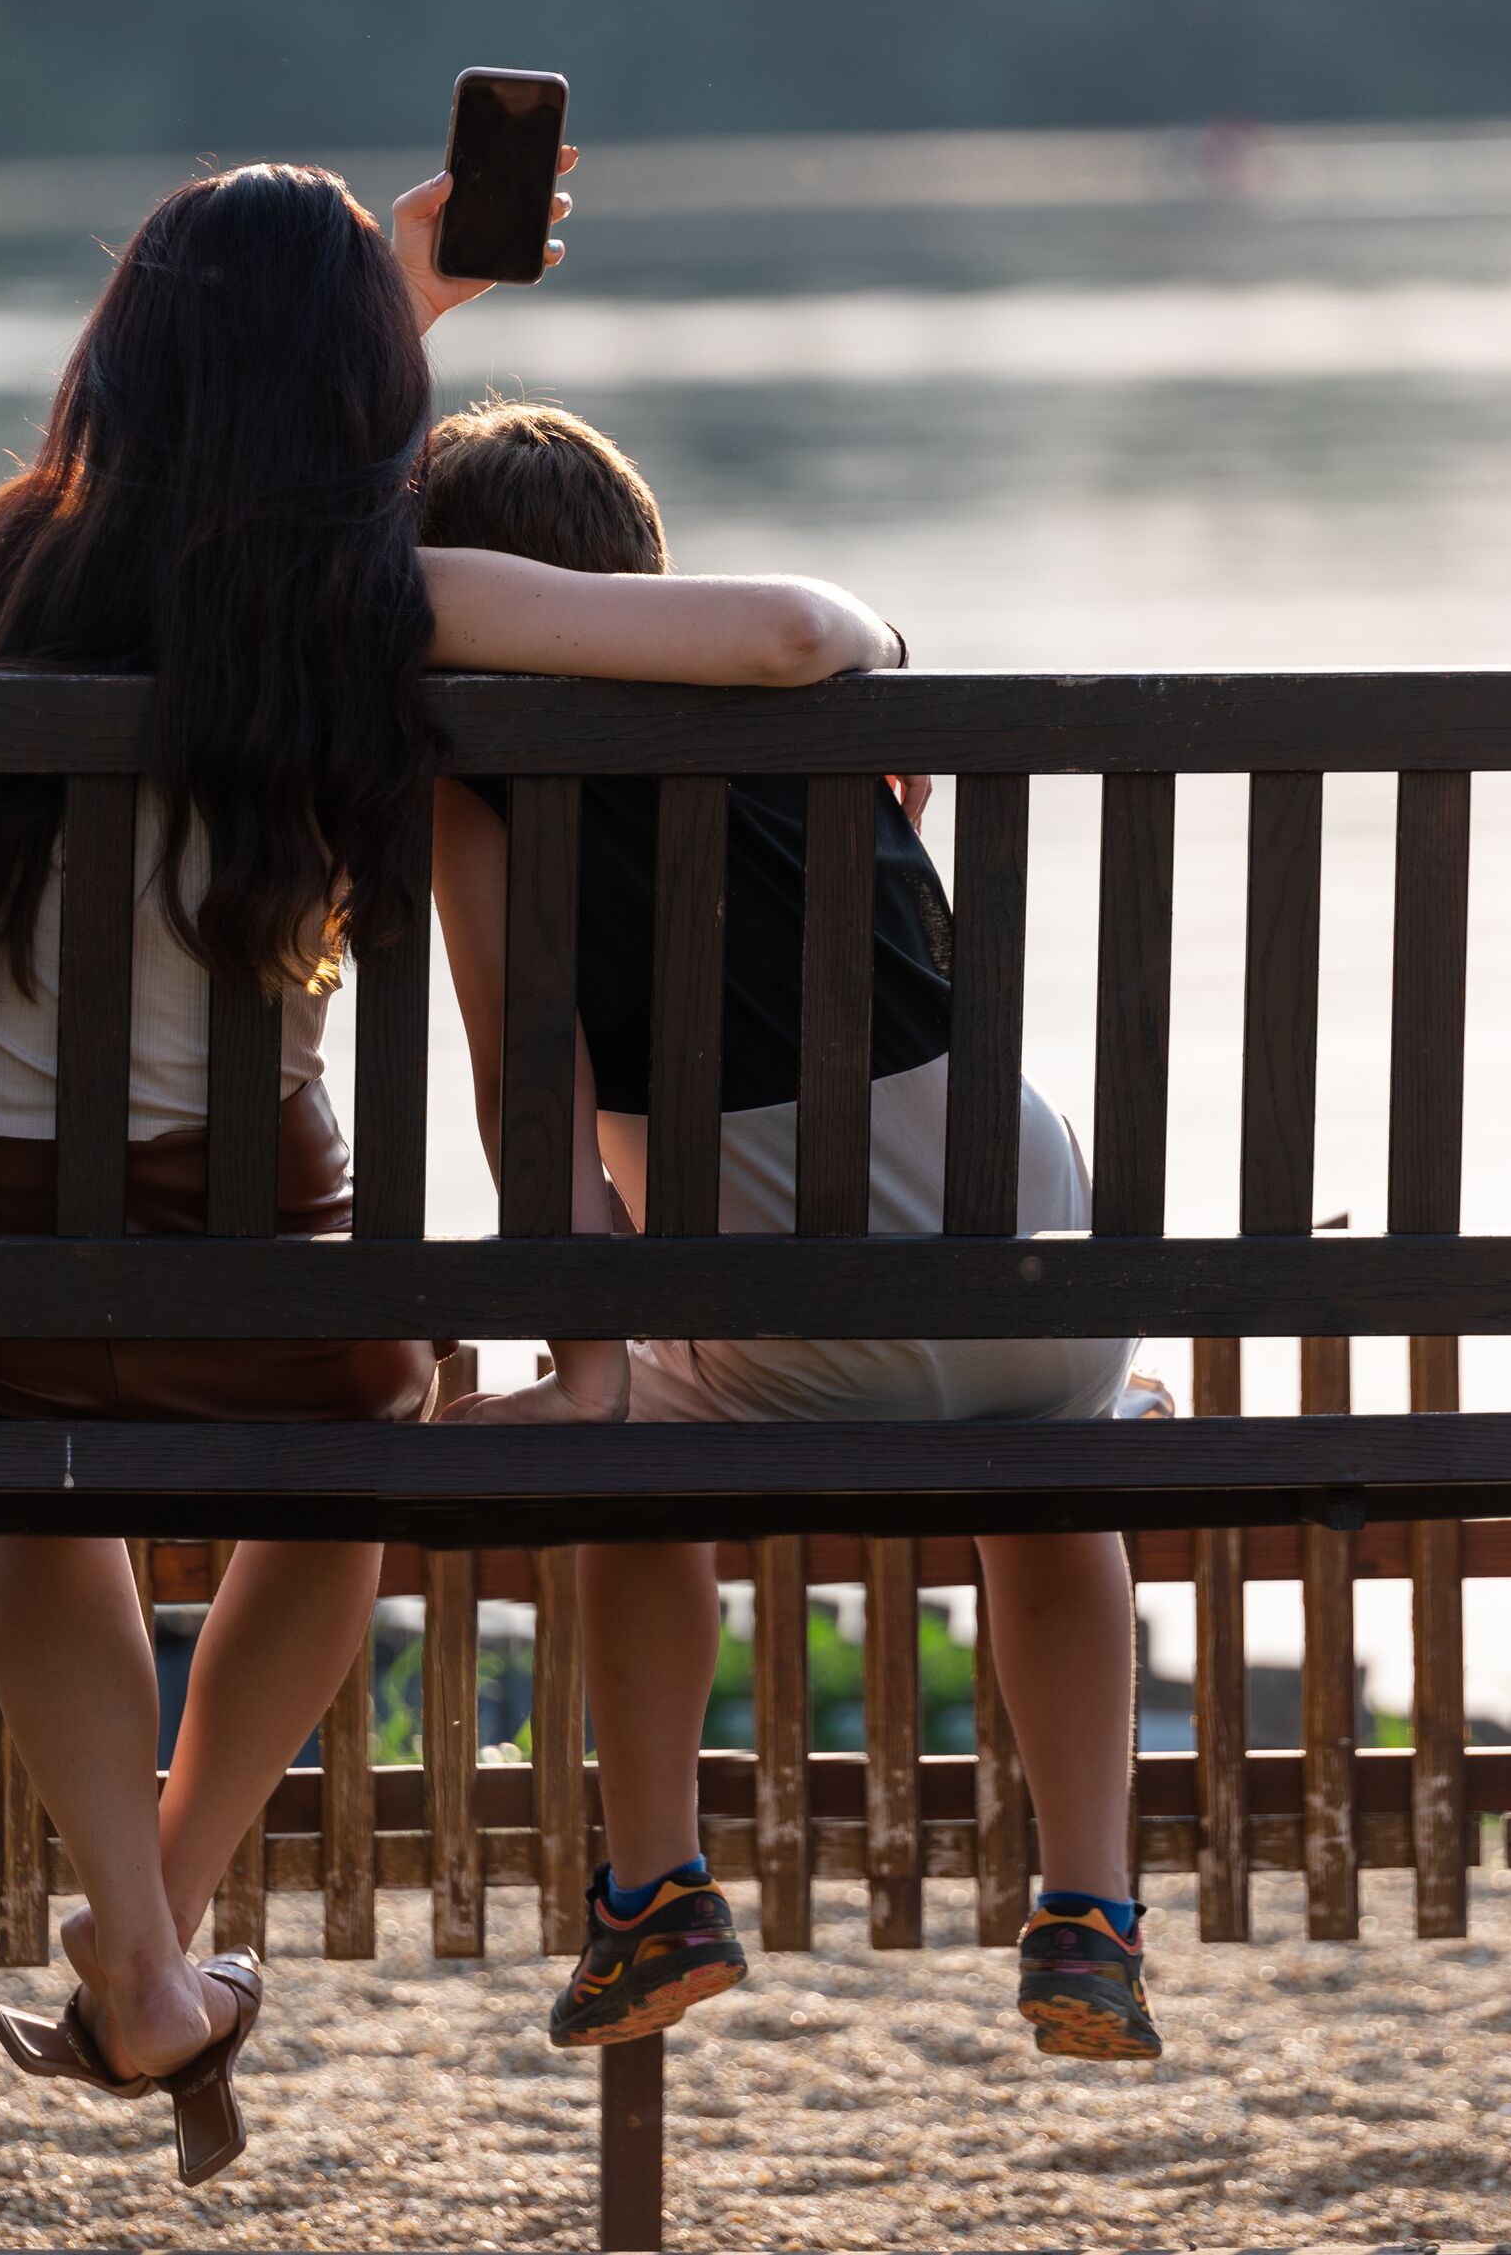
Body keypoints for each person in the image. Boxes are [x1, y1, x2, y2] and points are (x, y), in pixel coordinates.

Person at [0, 164, 907, 2187]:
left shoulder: (15, 563)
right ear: (346, 390)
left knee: (30, 1482)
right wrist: (879, 632)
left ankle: (144, 1952)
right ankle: (150, 1931)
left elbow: (211, 449)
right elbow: (782, 633)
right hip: (268, 1309)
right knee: (361, 1445)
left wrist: (383, 292)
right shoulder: (369, 599)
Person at [418, 398, 1164, 2064]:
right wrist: (881, 649)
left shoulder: (478, 796)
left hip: (800, 1332)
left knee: (632, 1446)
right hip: (1045, 1284)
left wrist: (585, 1375)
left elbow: (533, 1111)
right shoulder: (795, 688)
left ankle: (655, 1889)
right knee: (1066, 1453)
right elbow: (802, 626)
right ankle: (1090, 1907)